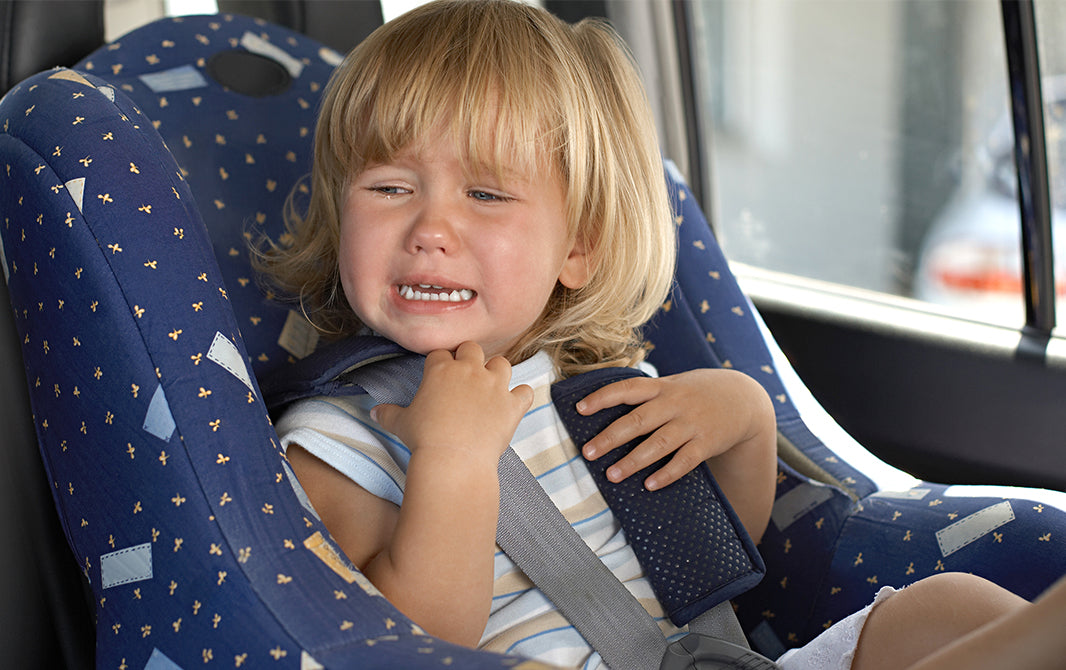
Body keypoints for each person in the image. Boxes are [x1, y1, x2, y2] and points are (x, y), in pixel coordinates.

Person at [255, 1, 1060, 668]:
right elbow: (415, 644)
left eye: (487, 195)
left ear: (577, 247)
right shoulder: (337, 442)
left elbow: (712, 572)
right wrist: (453, 463)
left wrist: (741, 421)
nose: (431, 227)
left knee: (942, 610)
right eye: (390, 187)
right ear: (341, 219)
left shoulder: (585, 389)